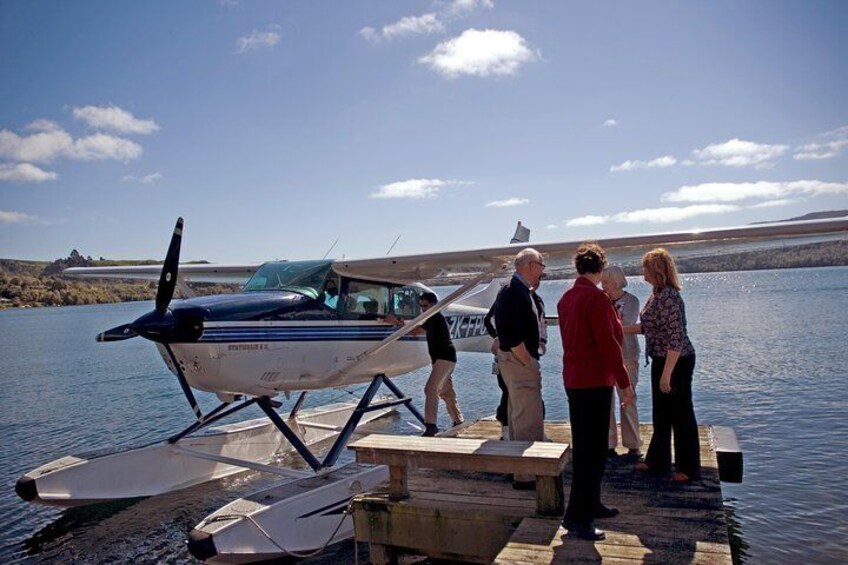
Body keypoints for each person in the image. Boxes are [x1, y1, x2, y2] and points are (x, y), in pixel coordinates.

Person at [558, 243, 633, 541]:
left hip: (574, 379)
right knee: (591, 451)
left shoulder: (566, 299)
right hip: (594, 381)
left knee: (588, 447)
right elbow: (609, 345)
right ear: (600, 270)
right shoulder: (597, 299)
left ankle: (591, 504)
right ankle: (578, 518)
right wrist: (624, 383)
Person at [626, 248, 701, 483]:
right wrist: (619, 330)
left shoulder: (668, 297)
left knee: (681, 414)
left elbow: (675, 338)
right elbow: (649, 327)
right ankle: (657, 461)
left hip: (676, 361)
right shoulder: (656, 294)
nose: (642, 272)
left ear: (656, 270)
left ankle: (688, 469)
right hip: (661, 358)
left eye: (645, 267)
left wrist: (666, 375)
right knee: (661, 413)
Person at [494, 248, 546, 489]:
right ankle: (528, 475)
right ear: (531, 266)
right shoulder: (515, 292)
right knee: (528, 417)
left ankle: (519, 470)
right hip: (519, 362)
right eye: (541, 266)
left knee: (518, 416)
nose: (542, 271)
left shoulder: (512, 289)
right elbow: (512, 334)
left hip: (512, 360)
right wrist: (527, 360)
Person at [384, 291, 463, 436]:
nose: (423, 309)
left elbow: (415, 332)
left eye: (425, 306)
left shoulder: (434, 317)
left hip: (444, 357)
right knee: (446, 391)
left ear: (433, 305)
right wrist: (401, 323)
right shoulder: (432, 318)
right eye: (421, 306)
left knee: (430, 389)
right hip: (443, 358)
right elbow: (416, 330)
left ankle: (431, 425)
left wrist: (395, 323)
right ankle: (458, 421)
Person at [601, 265, 643, 457]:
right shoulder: (601, 300)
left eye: (607, 282)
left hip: (627, 354)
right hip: (605, 356)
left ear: (616, 281)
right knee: (605, 399)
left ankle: (632, 441)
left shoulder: (632, 301)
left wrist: (610, 329)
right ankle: (609, 442)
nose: (604, 285)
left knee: (628, 397)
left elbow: (626, 325)